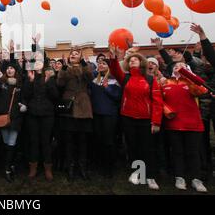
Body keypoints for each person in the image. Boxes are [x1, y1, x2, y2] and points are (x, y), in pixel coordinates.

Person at [108, 47, 163, 190]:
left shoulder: (150, 79)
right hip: (128, 118)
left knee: (148, 148)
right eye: (130, 60)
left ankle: (150, 176)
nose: (132, 61)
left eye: (135, 59)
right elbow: (114, 71)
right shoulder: (125, 77)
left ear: (141, 63)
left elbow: (157, 102)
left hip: (146, 119)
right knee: (132, 147)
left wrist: (156, 121)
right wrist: (114, 58)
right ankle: (137, 172)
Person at [161, 62, 208, 192]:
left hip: (192, 124)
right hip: (173, 123)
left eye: (182, 66)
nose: (178, 67)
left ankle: (196, 179)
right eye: (176, 66)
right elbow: (159, 99)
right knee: (177, 152)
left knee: (193, 152)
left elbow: (201, 91)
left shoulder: (190, 82)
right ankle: (179, 177)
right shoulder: (165, 82)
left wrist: (189, 77)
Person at [56, 49, 94, 181]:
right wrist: (65, 67)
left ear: (81, 57)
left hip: (83, 106)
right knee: (69, 140)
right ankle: (70, 167)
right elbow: (60, 83)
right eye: (72, 53)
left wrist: (83, 63)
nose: (73, 54)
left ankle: (82, 167)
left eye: (76, 53)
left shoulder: (85, 68)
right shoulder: (66, 68)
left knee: (83, 140)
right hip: (69, 107)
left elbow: (90, 78)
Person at [0, 49, 26, 183]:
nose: (10, 70)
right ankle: (9, 164)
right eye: (8, 68)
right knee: (6, 143)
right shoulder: (2, 82)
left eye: (12, 68)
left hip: (16, 118)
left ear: (16, 70)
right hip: (3, 117)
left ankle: (7, 168)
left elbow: (24, 98)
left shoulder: (20, 84)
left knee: (12, 142)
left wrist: (24, 105)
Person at [24, 60, 59, 181]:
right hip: (33, 114)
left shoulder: (49, 76)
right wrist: (30, 81)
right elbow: (26, 95)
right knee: (33, 141)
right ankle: (33, 168)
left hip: (47, 115)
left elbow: (55, 96)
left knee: (46, 142)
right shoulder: (30, 76)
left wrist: (48, 83)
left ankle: (48, 169)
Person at [190, 23, 215, 181]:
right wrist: (203, 36)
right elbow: (211, 55)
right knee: (204, 138)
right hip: (207, 106)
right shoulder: (203, 66)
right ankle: (207, 168)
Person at [89, 58, 121, 178]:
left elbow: (118, 96)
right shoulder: (94, 78)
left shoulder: (114, 79)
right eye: (100, 63)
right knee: (98, 140)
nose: (101, 65)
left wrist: (107, 88)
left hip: (109, 114)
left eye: (104, 63)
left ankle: (109, 167)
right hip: (96, 114)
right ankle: (99, 165)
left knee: (109, 141)